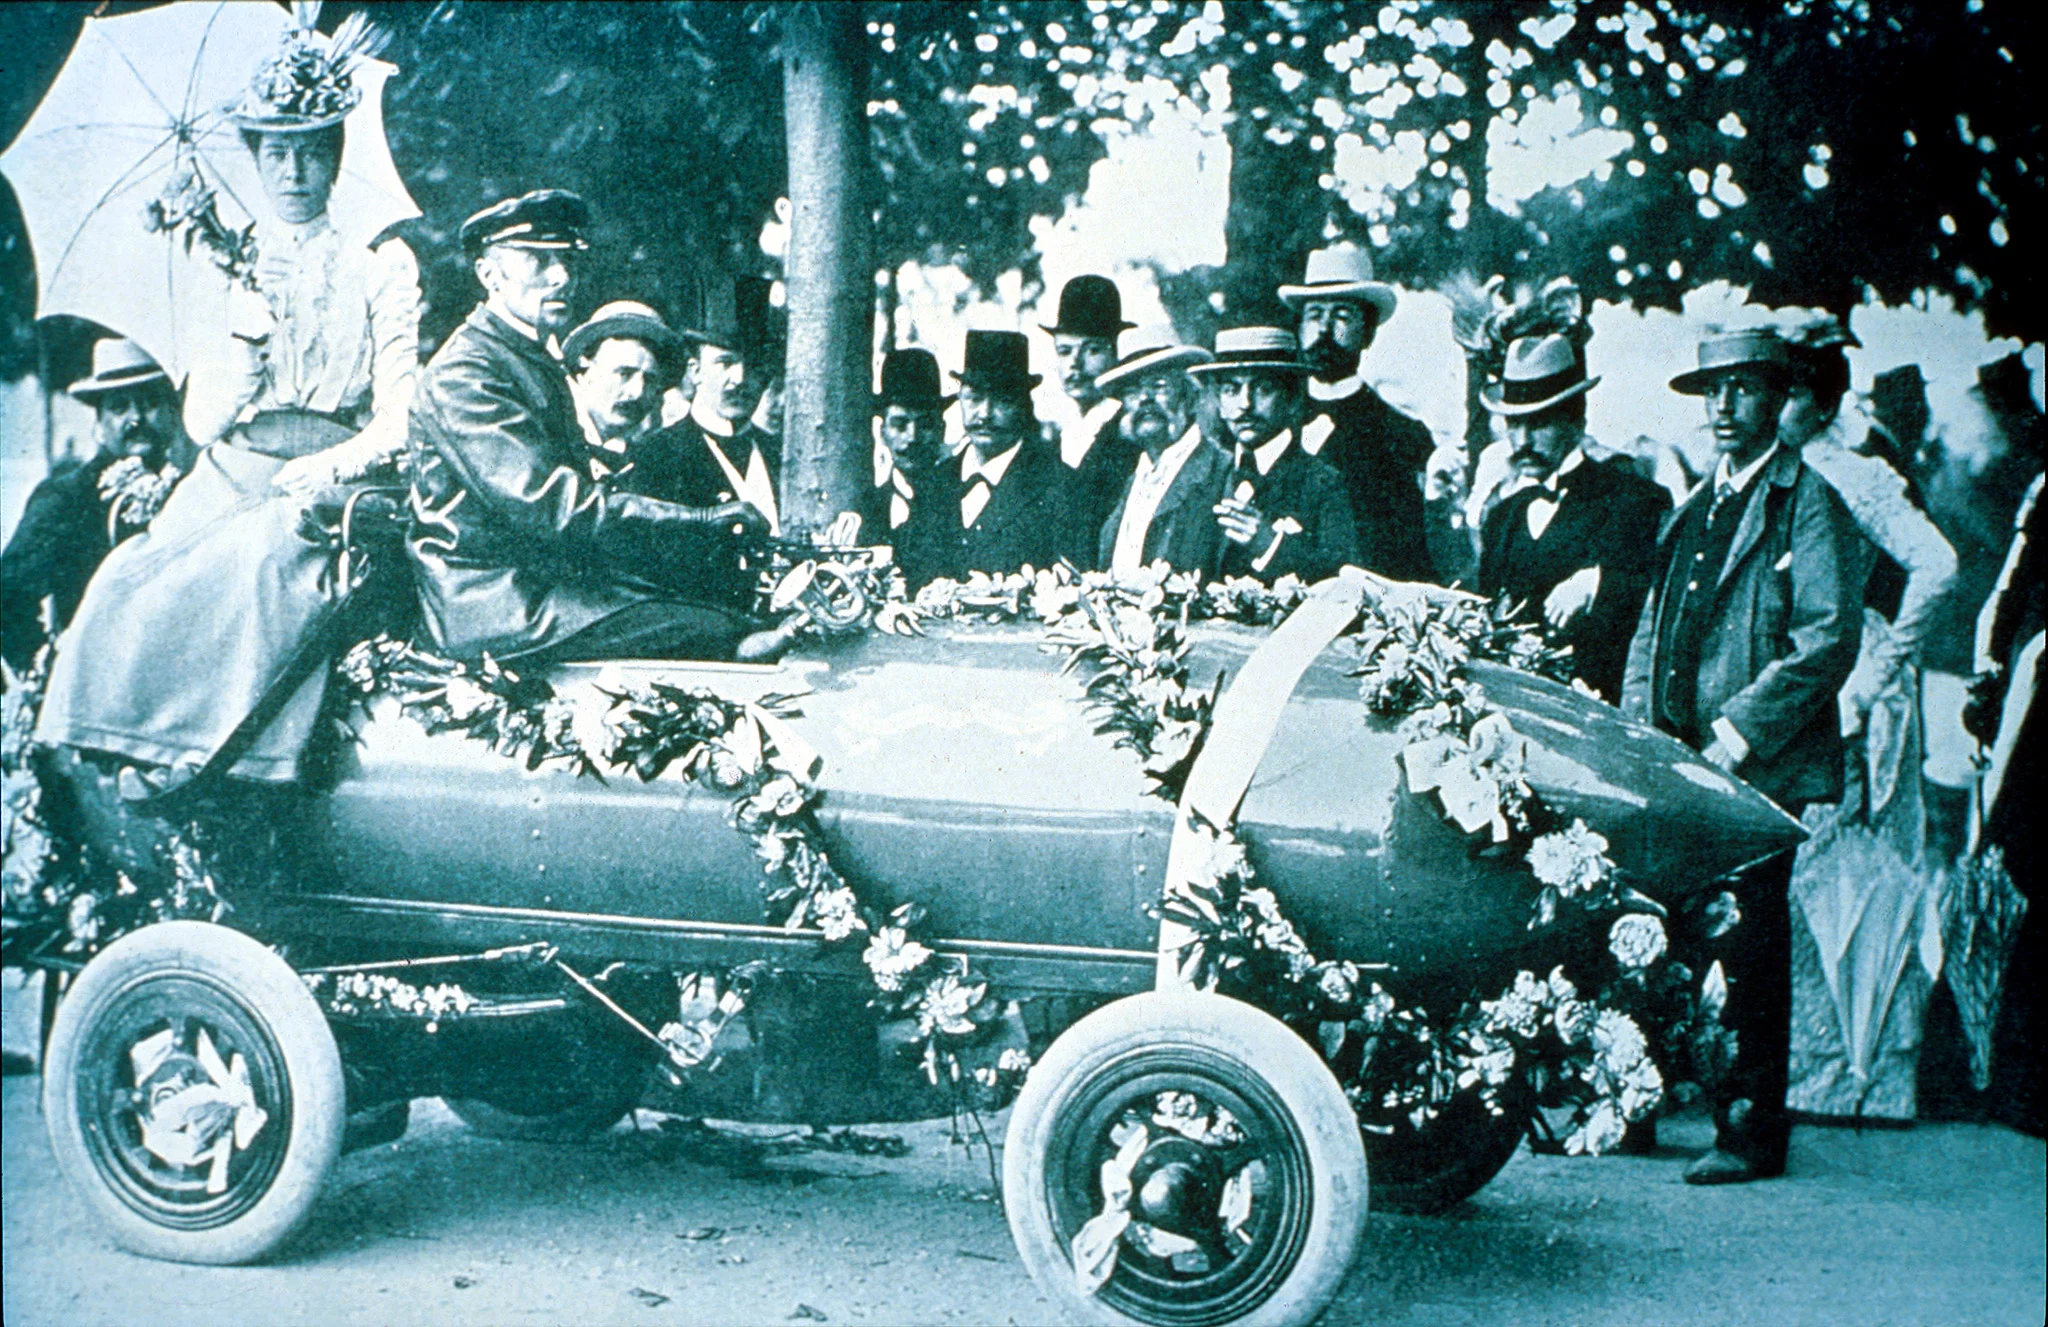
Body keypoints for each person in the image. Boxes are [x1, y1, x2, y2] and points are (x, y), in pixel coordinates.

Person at [35, 18, 419, 791]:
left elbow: (401, 411)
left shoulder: (380, 264)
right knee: (126, 576)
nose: (294, 171)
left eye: (312, 149)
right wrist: (243, 330)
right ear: (255, 158)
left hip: (331, 473)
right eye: (275, 151)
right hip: (231, 467)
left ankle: (225, 761)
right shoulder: (232, 262)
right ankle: (135, 746)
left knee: (259, 566)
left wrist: (328, 465)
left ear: (335, 156)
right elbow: (204, 423)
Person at [1621, 328, 1864, 1185]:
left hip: (1756, 768)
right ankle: (1641, 1105)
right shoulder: (1694, 509)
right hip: (1682, 761)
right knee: (1670, 931)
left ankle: (1751, 1130)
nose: (1724, 408)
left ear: (1780, 400)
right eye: (1713, 391)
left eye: (1744, 390)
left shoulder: (1808, 502)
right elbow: (1654, 630)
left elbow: (1828, 637)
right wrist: (1638, 734)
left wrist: (1736, 731)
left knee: (1751, 940)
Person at [406, 190, 789, 666]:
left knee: (707, 612)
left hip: (533, 585)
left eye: (567, 260)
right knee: (710, 629)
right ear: (489, 274)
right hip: (488, 601)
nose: (562, 277)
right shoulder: (466, 373)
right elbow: (551, 505)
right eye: (538, 261)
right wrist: (700, 520)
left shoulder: (523, 358)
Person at [1475, 334, 1669, 702]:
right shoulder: (1502, 516)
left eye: (1540, 423)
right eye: (1514, 424)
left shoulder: (1633, 499)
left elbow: (1655, 585)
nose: (1524, 440)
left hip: (1592, 715)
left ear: (1577, 420)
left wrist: (1598, 580)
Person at [0, 340, 185, 676]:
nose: (135, 418)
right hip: (93, 688)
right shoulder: (68, 496)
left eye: (150, 402)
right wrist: (44, 669)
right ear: (99, 421)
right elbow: (7, 593)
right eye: (119, 407)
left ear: (173, 412)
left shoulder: (192, 491)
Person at [1278, 245, 1435, 582]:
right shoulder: (1273, 420)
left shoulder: (1402, 434)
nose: (1325, 329)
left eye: (1343, 316)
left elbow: (1410, 551)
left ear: (1368, 332)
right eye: (1315, 314)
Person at [895, 330, 1087, 587]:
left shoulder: (1060, 485)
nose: (984, 414)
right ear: (961, 398)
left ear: (1023, 405)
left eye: (1001, 400)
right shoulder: (933, 483)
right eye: (974, 398)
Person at [1187, 327, 1360, 584]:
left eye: (1263, 388)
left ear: (1291, 400)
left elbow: (1344, 580)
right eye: (1231, 389)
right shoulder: (1205, 477)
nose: (1245, 404)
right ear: (1220, 404)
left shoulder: (1323, 482)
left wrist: (1269, 544)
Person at [1092, 329, 1226, 577]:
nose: (1144, 398)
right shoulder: (1129, 478)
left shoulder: (1221, 471)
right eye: (1132, 391)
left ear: (1191, 397)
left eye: (1159, 385)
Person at [1039, 274, 1135, 536]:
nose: (1075, 364)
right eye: (1065, 351)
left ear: (1115, 354)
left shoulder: (1128, 434)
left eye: (1092, 350)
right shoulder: (1062, 436)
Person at [563, 300, 693, 473]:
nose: (637, 392)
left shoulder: (646, 459)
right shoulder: (554, 438)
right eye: (624, 373)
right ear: (584, 367)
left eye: (650, 379)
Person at [853, 347, 951, 543]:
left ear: (942, 430)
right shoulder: (868, 508)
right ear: (882, 433)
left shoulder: (960, 500)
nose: (912, 437)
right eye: (899, 424)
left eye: (925, 425)